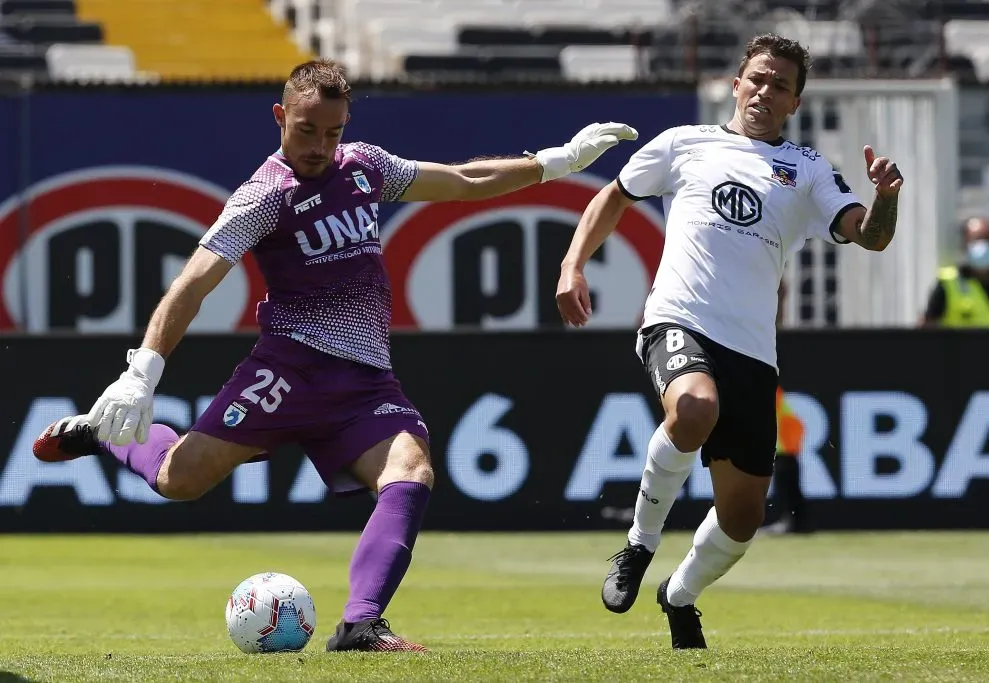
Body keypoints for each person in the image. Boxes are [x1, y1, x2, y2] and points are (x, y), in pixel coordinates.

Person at [32, 59, 638, 653]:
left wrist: (555, 162)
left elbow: (462, 181)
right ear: (279, 116)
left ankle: (360, 626)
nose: (321, 146)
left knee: (411, 472)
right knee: (178, 481)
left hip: (365, 383)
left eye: (333, 131)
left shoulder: (365, 166)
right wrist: (142, 373)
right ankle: (105, 434)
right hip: (287, 371)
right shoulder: (263, 196)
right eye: (307, 130)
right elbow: (192, 284)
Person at [555, 33, 903, 649]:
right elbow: (614, 197)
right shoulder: (683, 143)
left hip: (752, 352)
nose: (765, 92)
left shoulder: (808, 170)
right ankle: (638, 545)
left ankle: (678, 593)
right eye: (757, 79)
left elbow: (870, 236)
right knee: (694, 408)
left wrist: (885, 199)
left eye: (780, 86)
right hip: (677, 319)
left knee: (743, 518)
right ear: (737, 84)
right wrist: (572, 266)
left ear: (795, 103)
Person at [759, 280, 808, 536]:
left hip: (780, 414)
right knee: (783, 456)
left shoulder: (768, 337)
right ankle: (793, 518)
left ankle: (793, 518)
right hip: (778, 411)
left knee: (784, 453)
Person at [919, 216, 989, 327]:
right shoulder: (948, 284)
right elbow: (927, 327)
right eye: (976, 239)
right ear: (964, 245)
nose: (983, 245)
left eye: (987, 239)